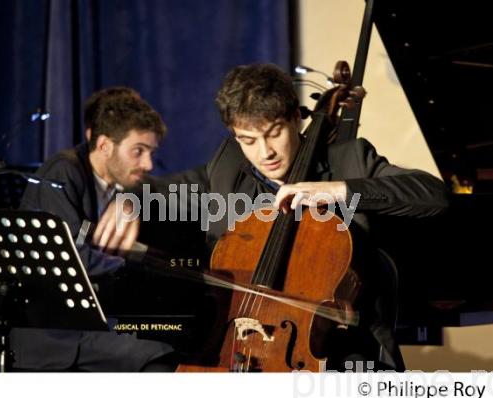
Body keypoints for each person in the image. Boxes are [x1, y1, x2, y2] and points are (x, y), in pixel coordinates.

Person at [138, 63, 449, 371]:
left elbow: (434, 194)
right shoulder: (228, 164)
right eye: (248, 140)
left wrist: (340, 190)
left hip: (338, 351)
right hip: (235, 346)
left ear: (297, 119)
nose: (264, 153)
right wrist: (126, 203)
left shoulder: (350, 160)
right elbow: (160, 192)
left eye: (274, 134)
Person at [5, 87, 176, 371]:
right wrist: (135, 263)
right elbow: (69, 257)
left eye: (151, 152)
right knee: (159, 358)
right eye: (138, 152)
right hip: (54, 332)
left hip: (98, 319)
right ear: (105, 145)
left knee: (175, 342)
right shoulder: (62, 173)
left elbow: (157, 194)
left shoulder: (128, 182)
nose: (147, 163)